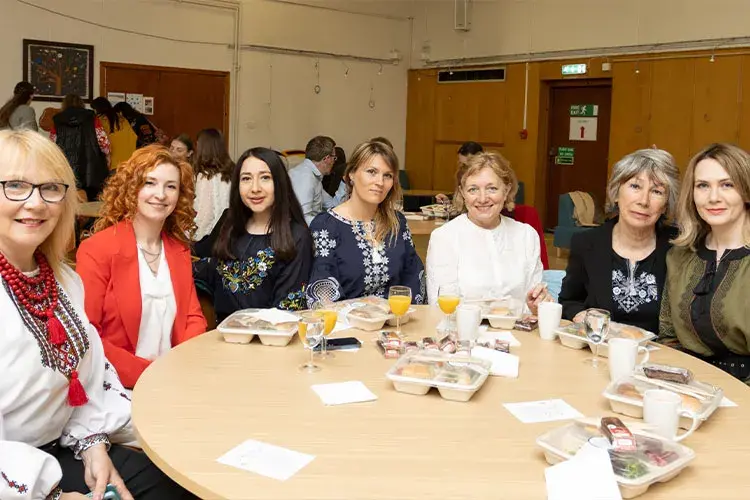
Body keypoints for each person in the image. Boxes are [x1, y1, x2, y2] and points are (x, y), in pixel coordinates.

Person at [0, 130, 197, 499]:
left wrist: (92, 444)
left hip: (60, 446)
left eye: (50, 189)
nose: (36, 203)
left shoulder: (63, 282)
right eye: (15, 186)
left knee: (179, 483)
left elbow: (88, 376)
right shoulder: (99, 252)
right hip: (14, 473)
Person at [76, 145, 207, 388]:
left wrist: (180, 366)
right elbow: (88, 335)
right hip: (116, 387)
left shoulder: (179, 251)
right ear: (132, 187)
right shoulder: (97, 250)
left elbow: (193, 319)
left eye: (171, 186)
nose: (161, 194)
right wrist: (149, 375)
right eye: (149, 183)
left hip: (175, 380)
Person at [558, 149, 680, 333]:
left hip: (659, 355)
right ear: (616, 193)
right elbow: (569, 301)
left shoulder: (680, 247)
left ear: (665, 205)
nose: (643, 201)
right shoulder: (586, 243)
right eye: (635, 186)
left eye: (657, 191)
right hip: (599, 351)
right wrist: (579, 315)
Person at [658, 143, 750, 383]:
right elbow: (668, 334)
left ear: (746, 191)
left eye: (727, 185)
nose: (713, 198)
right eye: (703, 186)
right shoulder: (680, 256)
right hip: (689, 387)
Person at [193, 148, 313, 321]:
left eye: (265, 177)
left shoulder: (296, 236)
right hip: (223, 337)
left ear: (279, 183)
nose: (255, 188)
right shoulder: (230, 225)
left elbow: (286, 312)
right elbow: (211, 268)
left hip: (271, 340)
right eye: (246, 179)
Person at [426, 152, 550, 313]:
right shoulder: (444, 237)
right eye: (473, 189)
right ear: (462, 193)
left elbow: (532, 304)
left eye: (492, 188)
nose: (483, 198)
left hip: (518, 334)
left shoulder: (526, 235)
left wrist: (537, 306)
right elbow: (442, 308)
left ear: (506, 190)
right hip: (464, 334)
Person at [307, 140, 425, 305]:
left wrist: (399, 312)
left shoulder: (397, 222)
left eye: (387, 175)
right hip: (347, 326)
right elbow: (323, 287)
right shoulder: (326, 226)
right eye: (371, 172)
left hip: (396, 323)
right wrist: (362, 311)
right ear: (351, 175)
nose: (380, 182)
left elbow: (413, 275)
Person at [50, 95, 111, 202]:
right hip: (91, 165)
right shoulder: (92, 117)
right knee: (92, 200)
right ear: (81, 104)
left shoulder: (57, 119)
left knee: (67, 200)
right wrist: (107, 155)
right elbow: (103, 141)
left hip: (66, 166)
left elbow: (52, 145)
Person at [192, 128, 233, 240]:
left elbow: (206, 214)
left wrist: (196, 238)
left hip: (211, 238)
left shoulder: (206, 176)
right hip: (229, 234)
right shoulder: (230, 171)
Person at [289, 135, 338, 224]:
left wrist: (344, 183)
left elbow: (333, 206)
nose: (334, 162)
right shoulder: (306, 178)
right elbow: (302, 218)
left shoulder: (314, 176)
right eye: (334, 158)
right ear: (326, 159)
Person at [91, 97, 137, 170]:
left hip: (111, 163)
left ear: (97, 109)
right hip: (127, 162)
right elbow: (134, 137)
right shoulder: (122, 119)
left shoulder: (99, 121)